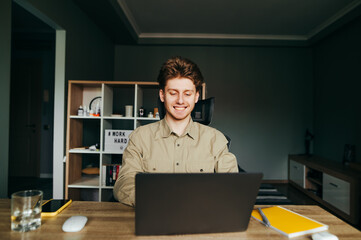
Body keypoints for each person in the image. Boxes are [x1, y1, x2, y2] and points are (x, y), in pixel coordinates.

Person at [113, 56, 238, 206]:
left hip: (201, 218)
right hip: (154, 215)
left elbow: (232, 186)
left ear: (196, 96)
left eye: (187, 93)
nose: (180, 100)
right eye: (173, 93)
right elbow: (124, 184)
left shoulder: (216, 139)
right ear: (162, 95)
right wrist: (155, 200)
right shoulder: (140, 137)